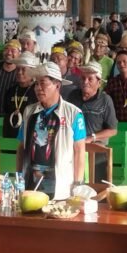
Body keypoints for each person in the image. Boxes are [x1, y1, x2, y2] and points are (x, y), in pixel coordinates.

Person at [17, 62, 87, 200]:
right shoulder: (29, 111)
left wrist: (77, 183)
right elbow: (21, 146)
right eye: (36, 84)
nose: (38, 88)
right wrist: (19, 175)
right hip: (31, 179)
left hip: (60, 181)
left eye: (43, 83)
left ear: (57, 85)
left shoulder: (73, 113)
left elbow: (79, 150)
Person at [64, 62, 117, 182]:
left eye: (90, 79)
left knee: (98, 186)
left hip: (96, 149)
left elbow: (113, 130)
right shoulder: (73, 96)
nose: (85, 82)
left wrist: (91, 137)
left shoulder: (105, 100)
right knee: (73, 185)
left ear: (99, 83)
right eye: (83, 78)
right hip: (73, 148)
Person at [0, 52, 41, 139]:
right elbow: (6, 111)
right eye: (17, 69)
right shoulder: (11, 90)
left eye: (23, 69)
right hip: (9, 134)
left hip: (29, 136)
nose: (19, 72)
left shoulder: (38, 91)